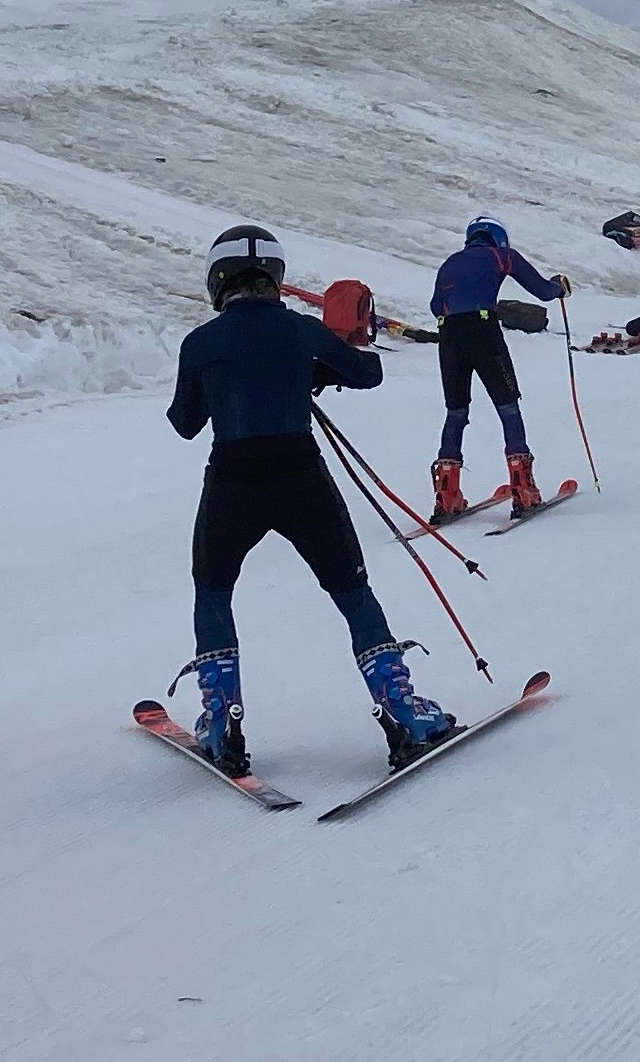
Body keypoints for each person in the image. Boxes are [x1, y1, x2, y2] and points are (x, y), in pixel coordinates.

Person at [165, 221, 453, 774]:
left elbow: (184, 422)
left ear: (217, 282)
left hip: (232, 481)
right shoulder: (299, 330)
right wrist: (313, 368)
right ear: (276, 276)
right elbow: (368, 372)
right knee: (351, 590)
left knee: (213, 590)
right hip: (301, 474)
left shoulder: (199, 343)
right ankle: (404, 713)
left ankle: (222, 723)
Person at [427, 215, 570, 517]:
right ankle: (523, 489)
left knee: (456, 411)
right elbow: (542, 290)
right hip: (484, 332)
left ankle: (446, 494)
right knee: (507, 405)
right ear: (498, 237)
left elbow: (435, 307)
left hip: (449, 335)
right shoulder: (501, 256)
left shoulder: (450, 262)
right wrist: (560, 288)